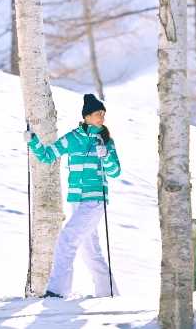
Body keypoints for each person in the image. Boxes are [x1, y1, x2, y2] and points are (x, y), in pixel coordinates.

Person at [23, 93, 121, 299]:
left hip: (95, 201)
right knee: (91, 252)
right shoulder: (72, 139)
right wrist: (33, 141)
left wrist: (107, 156)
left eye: (103, 114)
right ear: (86, 116)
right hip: (76, 201)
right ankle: (109, 294)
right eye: (98, 114)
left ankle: (58, 292)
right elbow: (47, 155)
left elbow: (115, 171)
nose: (102, 118)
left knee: (66, 241)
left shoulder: (106, 142)